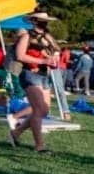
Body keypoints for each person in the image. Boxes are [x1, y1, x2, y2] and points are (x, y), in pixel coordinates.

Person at [9, 12, 60, 153]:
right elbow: (20, 55)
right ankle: (39, 145)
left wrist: (52, 58)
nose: (45, 23)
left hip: (44, 74)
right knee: (38, 110)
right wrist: (43, 60)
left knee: (44, 109)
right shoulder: (27, 36)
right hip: (30, 73)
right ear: (34, 21)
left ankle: (16, 132)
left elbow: (55, 50)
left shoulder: (48, 37)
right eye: (42, 21)